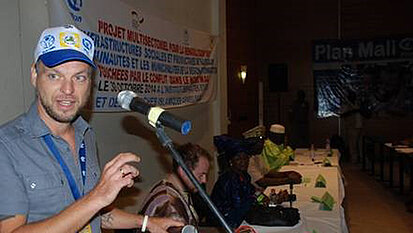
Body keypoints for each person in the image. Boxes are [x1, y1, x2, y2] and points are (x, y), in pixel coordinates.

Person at [0, 25, 182, 233]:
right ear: (34, 75)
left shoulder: (85, 134)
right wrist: (98, 196)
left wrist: (147, 222)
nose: (67, 90)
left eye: (79, 77)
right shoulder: (6, 146)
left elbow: (92, 214)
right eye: (54, 76)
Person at [139, 143, 211, 231]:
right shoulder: (169, 201)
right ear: (183, 172)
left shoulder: (178, 192)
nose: (204, 180)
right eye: (201, 175)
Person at [210, 135, 256, 229]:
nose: (243, 162)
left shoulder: (244, 176)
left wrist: (263, 198)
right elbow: (238, 205)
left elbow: (252, 193)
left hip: (240, 216)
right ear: (231, 161)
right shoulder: (228, 179)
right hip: (226, 221)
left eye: (245, 158)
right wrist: (254, 199)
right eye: (238, 159)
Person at [247, 124, 301, 188]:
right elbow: (262, 182)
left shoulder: (257, 155)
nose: (262, 145)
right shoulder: (247, 159)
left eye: (262, 142)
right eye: (258, 143)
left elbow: (268, 172)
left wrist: (288, 173)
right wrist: (288, 180)